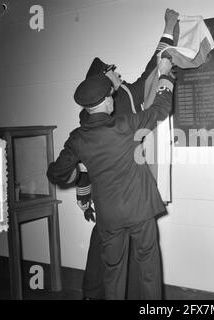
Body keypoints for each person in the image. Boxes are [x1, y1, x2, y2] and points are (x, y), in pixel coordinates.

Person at [47, 57, 175, 300]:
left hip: (109, 217)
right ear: (107, 100)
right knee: (148, 269)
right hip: (139, 210)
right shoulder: (125, 125)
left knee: (113, 273)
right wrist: (166, 76)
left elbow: (56, 173)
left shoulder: (77, 138)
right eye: (110, 97)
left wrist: (77, 172)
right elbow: (160, 110)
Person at [75, 8, 179, 300]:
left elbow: (154, 65)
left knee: (117, 262)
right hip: (121, 201)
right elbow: (84, 166)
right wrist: (84, 197)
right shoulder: (102, 114)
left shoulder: (126, 94)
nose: (117, 71)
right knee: (111, 261)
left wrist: (168, 28)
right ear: (102, 83)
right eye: (111, 71)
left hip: (118, 202)